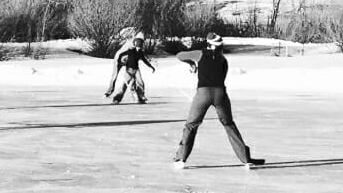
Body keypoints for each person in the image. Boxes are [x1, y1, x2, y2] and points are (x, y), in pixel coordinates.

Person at [172, 33, 265, 169]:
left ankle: (181, 158)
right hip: (220, 93)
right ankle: (246, 159)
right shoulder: (223, 59)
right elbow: (222, 76)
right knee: (229, 124)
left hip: (203, 93)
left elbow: (180, 55)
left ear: (208, 44)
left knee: (191, 125)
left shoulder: (200, 54)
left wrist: (192, 63)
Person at [107, 37, 156, 104]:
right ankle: (117, 99)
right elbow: (121, 55)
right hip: (129, 70)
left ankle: (141, 96)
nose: (139, 48)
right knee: (124, 85)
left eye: (140, 46)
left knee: (140, 82)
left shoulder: (140, 53)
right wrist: (120, 62)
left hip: (136, 70)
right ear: (135, 45)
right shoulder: (130, 51)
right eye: (138, 46)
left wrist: (151, 67)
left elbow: (145, 61)